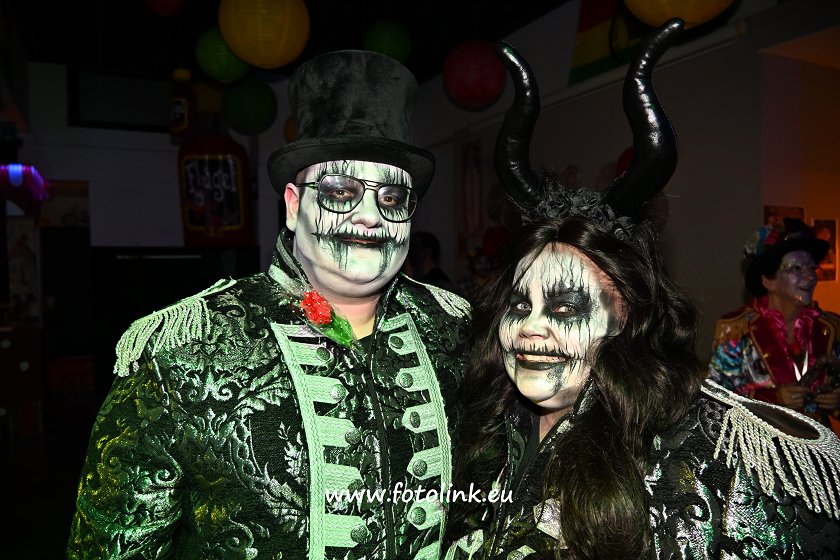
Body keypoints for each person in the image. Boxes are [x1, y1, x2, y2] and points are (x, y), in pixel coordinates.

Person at [445, 20, 840, 560]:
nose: (530, 328)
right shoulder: (484, 420)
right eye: (520, 303)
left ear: (625, 314)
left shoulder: (709, 456)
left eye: (565, 306)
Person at [68, 50, 471, 559]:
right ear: (294, 205)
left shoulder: (456, 331)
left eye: (392, 198)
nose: (370, 217)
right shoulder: (184, 349)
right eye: (340, 192)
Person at [708, 218, 840, 428]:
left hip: (819, 445)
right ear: (768, 281)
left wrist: (837, 400)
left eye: (812, 268)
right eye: (796, 268)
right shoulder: (737, 330)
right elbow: (715, 401)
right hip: (760, 444)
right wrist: (772, 399)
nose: (810, 277)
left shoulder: (831, 329)